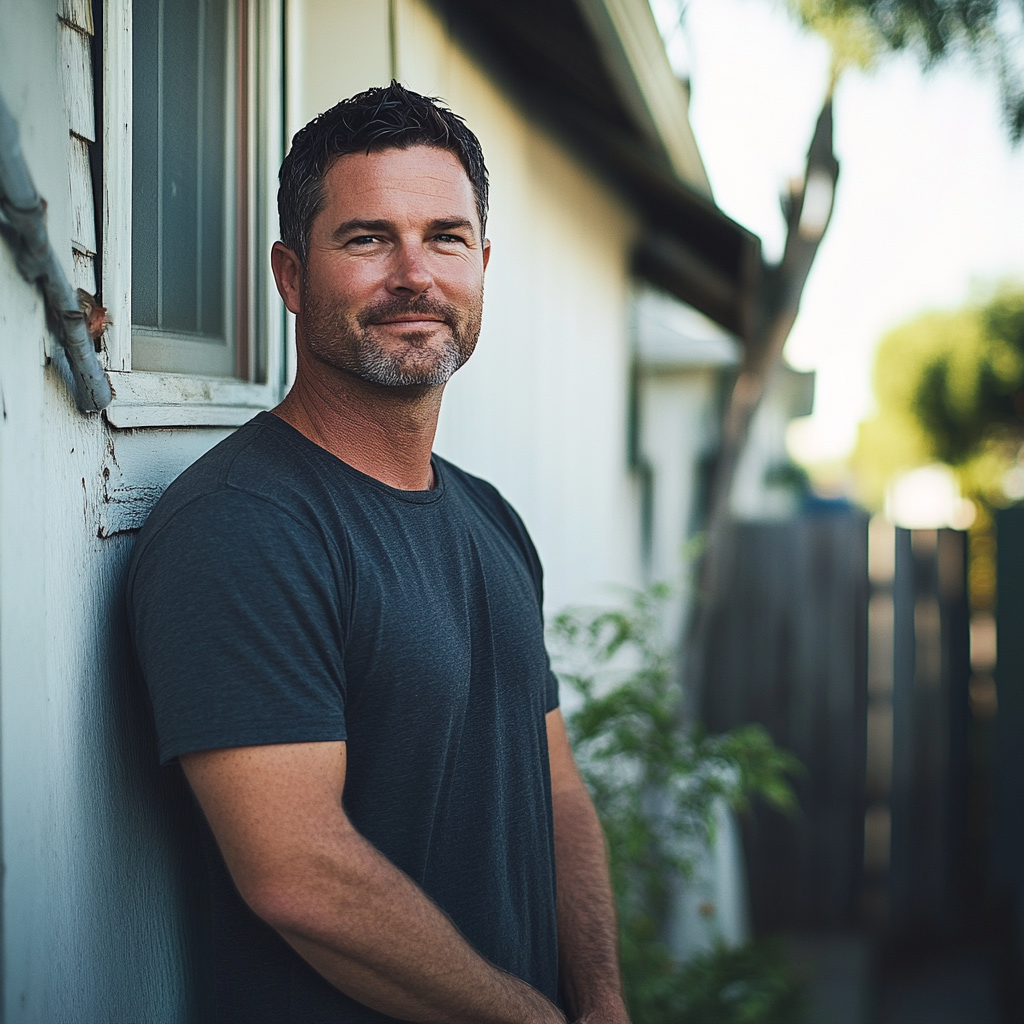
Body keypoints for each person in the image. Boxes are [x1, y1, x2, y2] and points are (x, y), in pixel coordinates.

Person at [128, 82, 629, 1024]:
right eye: (367, 239)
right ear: (290, 275)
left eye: (445, 237)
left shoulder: (490, 519)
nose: (415, 274)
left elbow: (555, 789)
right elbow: (297, 872)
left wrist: (600, 1001)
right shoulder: (244, 528)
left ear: (483, 263)